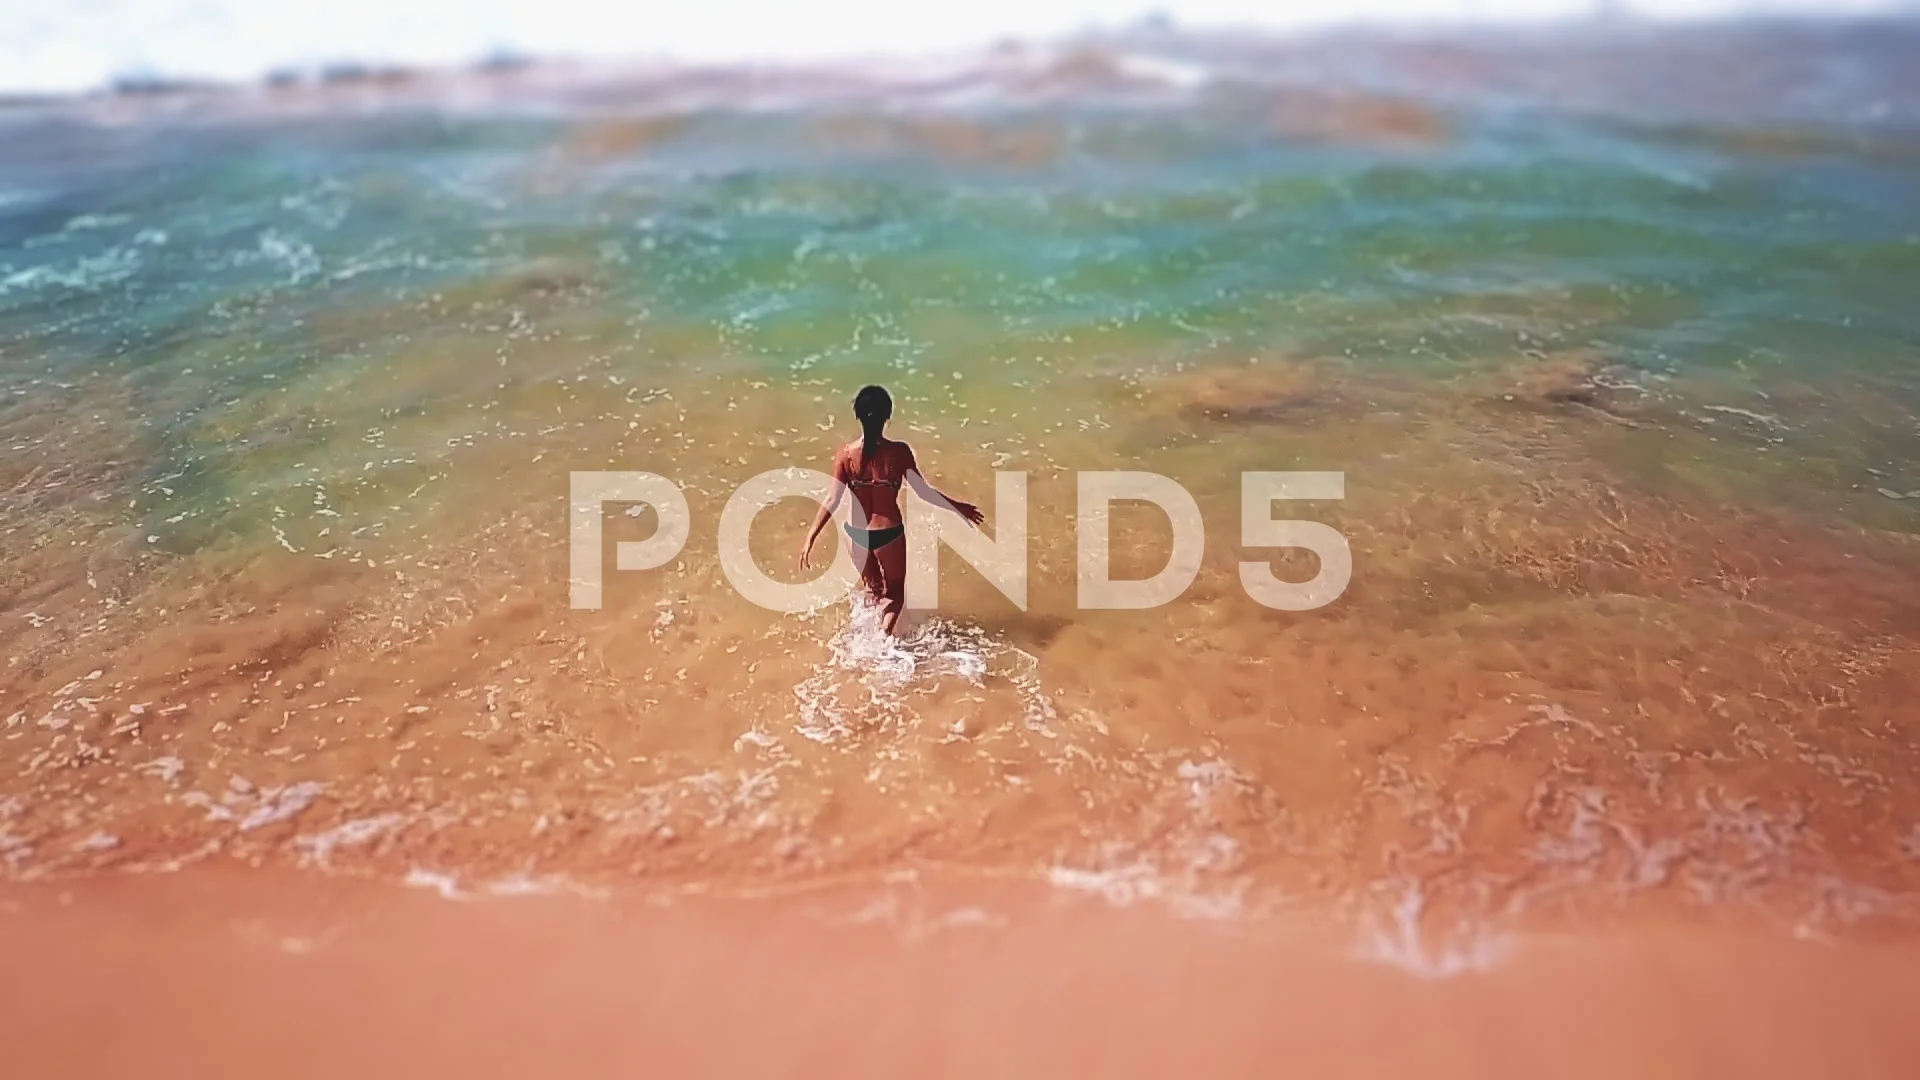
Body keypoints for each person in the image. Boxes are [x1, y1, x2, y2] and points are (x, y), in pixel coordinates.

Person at [798, 385, 984, 635]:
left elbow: (832, 498)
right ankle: (885, 640)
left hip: (855, 534)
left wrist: (811, 536)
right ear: (888, 415)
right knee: (894, 594)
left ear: (858, 415)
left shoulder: (845, 455)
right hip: (888, 533)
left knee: (872, 591)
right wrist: (958, 507)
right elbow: (924, 492)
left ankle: (866, 640)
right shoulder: (899, 452)